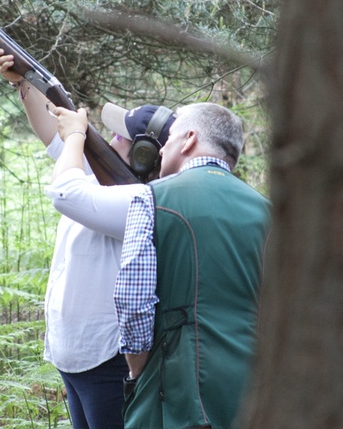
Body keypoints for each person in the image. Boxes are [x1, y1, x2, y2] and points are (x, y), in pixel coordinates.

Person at [0, 47, 176, 429]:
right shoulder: (97, 178)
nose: (108, 138)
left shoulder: (138, 201)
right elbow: (53, 137)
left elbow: (65, 193)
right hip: (73, 353)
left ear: (143, 155)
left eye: (120, 137)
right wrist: (24, 82)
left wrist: (77, 136)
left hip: (106, 359)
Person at [113, 103, 271, 429]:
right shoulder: (269, 210)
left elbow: (133, 300)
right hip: (254, 387)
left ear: (188, 140)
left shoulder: (152, 198)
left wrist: (138, 370)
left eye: (169, 137)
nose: (162, 149)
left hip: (176, 388)